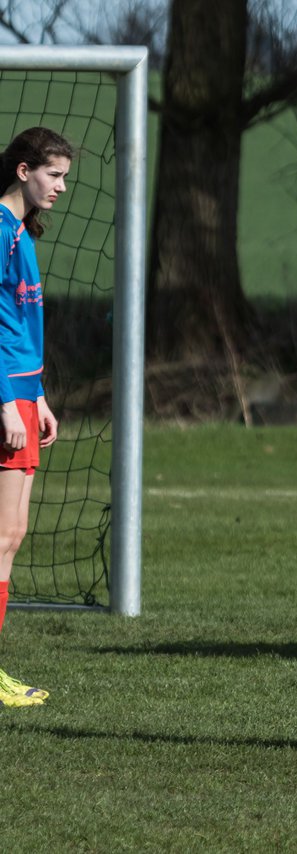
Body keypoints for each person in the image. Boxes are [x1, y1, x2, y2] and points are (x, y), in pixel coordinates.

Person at [0, 127, 70, 708]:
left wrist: (37, 395)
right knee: (0, 537)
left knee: (12, 536)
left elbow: (19, 329)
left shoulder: (22, 232)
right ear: (24, 170)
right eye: (55, 174)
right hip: (3, 401)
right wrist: (5, 400)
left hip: (23, 396)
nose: (62, 187)